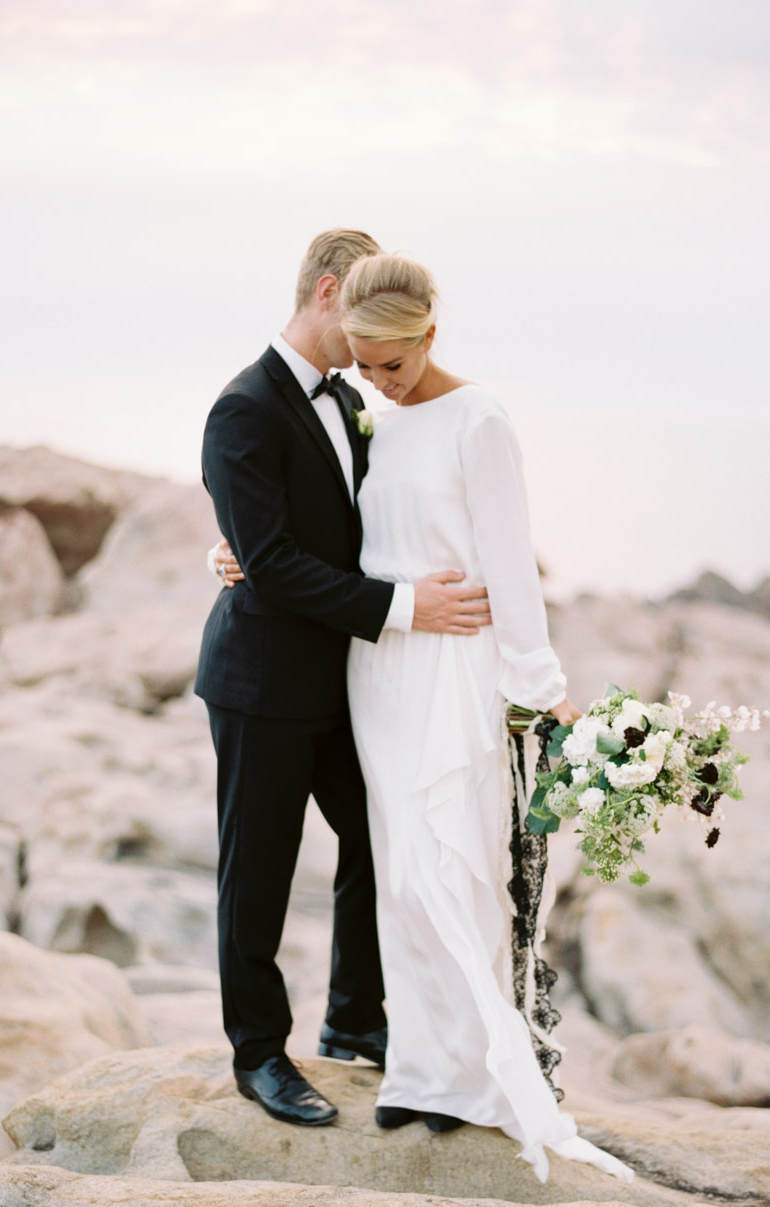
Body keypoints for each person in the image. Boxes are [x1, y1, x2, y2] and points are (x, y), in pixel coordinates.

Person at [195, 230, 493, 1130]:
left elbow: (352, 525)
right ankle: (258, 1054)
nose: (373, 358)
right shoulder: (243, 407)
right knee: (259, 869)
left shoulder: (350, 401)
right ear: (330, 292)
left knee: (379, 837)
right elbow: (277, 562)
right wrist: (406, 607)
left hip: (342, 678)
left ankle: (356, 1024)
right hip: (262, 680)